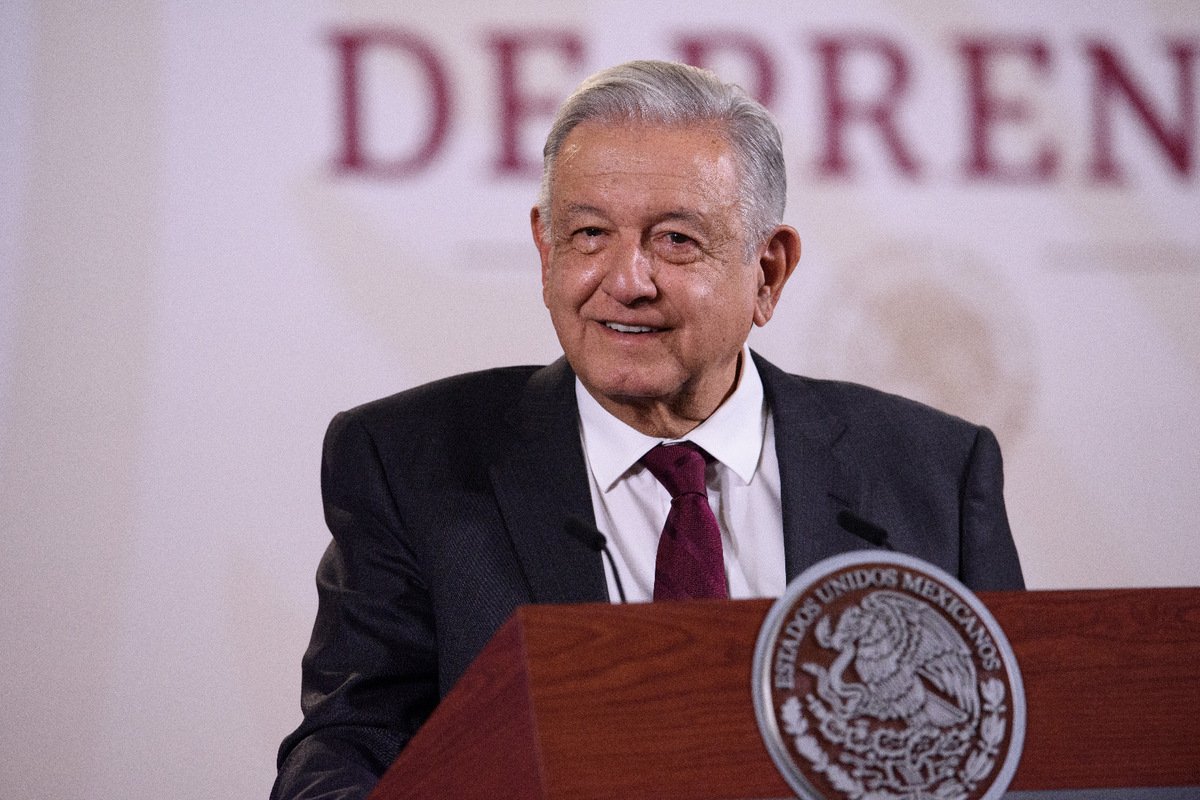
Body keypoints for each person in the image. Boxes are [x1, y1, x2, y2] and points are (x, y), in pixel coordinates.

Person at [271, 59, 1023, 800]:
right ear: (545, 251)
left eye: (676, 241)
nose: (626, 281)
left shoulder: (935, 473)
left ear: (768, 273)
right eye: (589, 234)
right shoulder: (409, 464)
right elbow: (348, 749)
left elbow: (1021, 752)